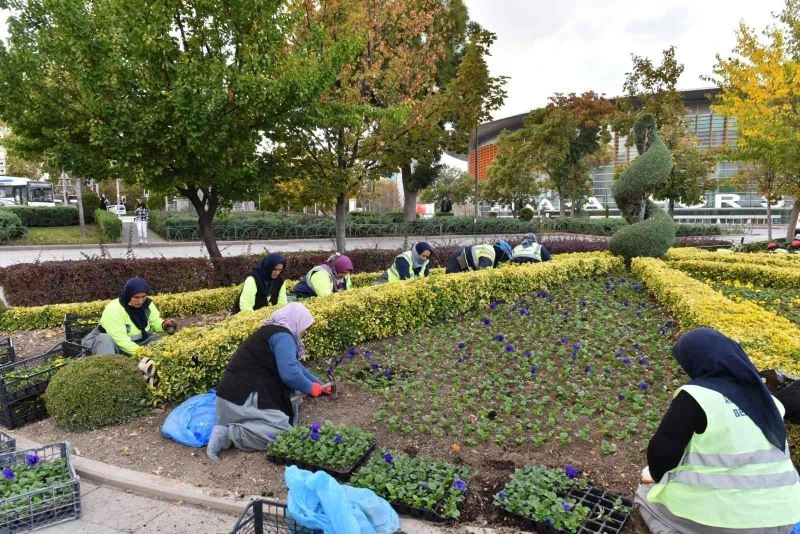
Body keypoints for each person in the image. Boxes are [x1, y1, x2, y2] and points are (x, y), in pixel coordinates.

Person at [635, 328, 800, 533]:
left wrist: (660, 479)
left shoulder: (697, 396)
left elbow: (661, 457)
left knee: (647, 497)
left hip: (728, 522)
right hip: (784, 518)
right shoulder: (770, 400)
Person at [207, 303, 331, 460]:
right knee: (284, 433)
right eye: (304, 327)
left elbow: (295, 366)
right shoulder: (283, 337)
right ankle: (229, 434)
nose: (304, 331)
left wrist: (318, 384)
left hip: (232, 396)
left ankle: (253, 422)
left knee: (295, 396)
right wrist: (309, 387)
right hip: (241, 400)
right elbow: (290, 374)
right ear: (296, 321)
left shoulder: (274, 331)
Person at [81, 278, 178, 355]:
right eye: (136, 297)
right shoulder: (114, 309)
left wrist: (163, 325)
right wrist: (144, 353)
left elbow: (154, 322)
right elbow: (120, 340)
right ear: (128, 295)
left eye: (143, 296)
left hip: (137, 342)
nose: (140, 301)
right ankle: (108, 375)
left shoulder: (147, 304)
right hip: (111, 344)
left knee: (163, 343)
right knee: (105, 339)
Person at [444, 241, 512, 274]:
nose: (503, 261)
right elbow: (482, 272)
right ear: (502, 254)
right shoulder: (489, 253)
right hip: (457, 260)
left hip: (459, 259)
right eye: (504, 259)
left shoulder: (490, 249)